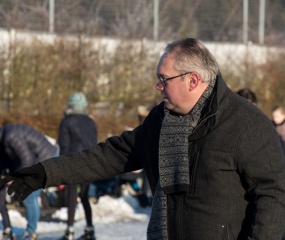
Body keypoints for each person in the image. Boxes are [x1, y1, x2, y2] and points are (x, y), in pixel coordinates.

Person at [2, 38, 285, 240]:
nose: (157, 86)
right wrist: (44, 172)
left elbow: (274, 194)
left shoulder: (247, 124)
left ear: (192, 80)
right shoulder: (160, 121)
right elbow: (109, 155)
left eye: (164, 79)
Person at [0, 124, 58, 240]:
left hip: (45, 158)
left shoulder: (10, 136)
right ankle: (31, 232)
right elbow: (10, 160)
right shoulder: (6, 136)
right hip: (39, 158)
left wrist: (17, 177)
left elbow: (27, 159)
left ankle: (31, 233)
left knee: (29, 196)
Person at [58, 92, 98, 240]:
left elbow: (64, 146)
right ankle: (90, 228)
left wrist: (60, 167)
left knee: (72, 196)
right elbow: (95, 144)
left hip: (72, 163)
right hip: (89, 162)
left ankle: (69, 230)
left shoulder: (66, 121)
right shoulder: (90, 122)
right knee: (85, 196)